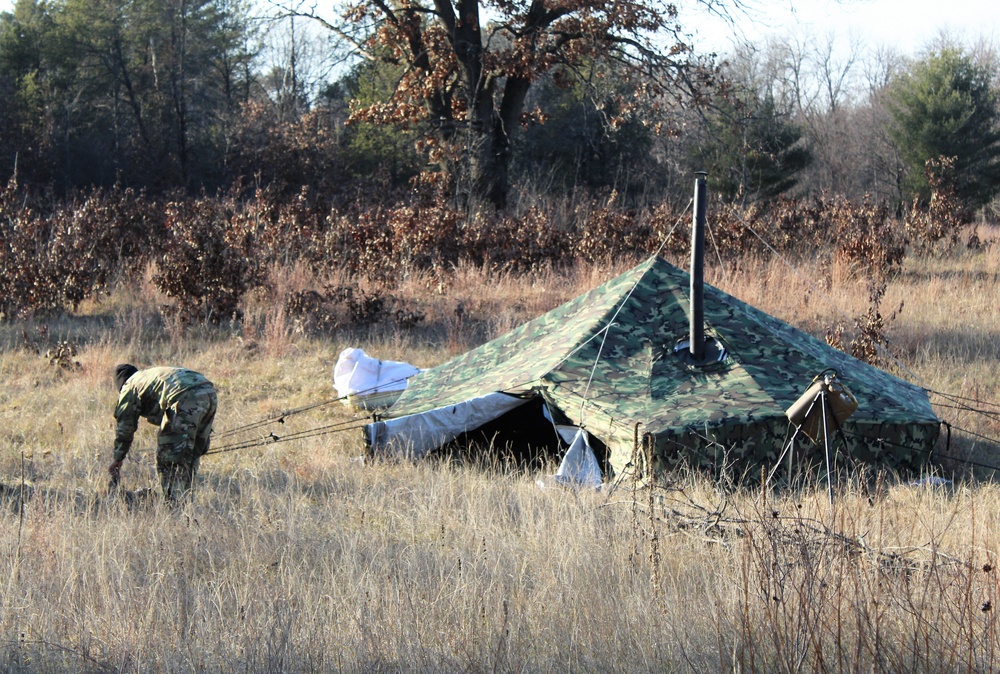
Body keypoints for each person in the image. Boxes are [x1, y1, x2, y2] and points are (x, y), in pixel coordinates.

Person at [108, 364, 218, 501]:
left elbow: (125, 426)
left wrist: (118, 458)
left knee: (169, 459)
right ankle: (186, 499)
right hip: (208, 390)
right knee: (192, 452)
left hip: (183, 395)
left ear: (120, 382)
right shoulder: (149, 377)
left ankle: (174, 504)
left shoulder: (129, 385)